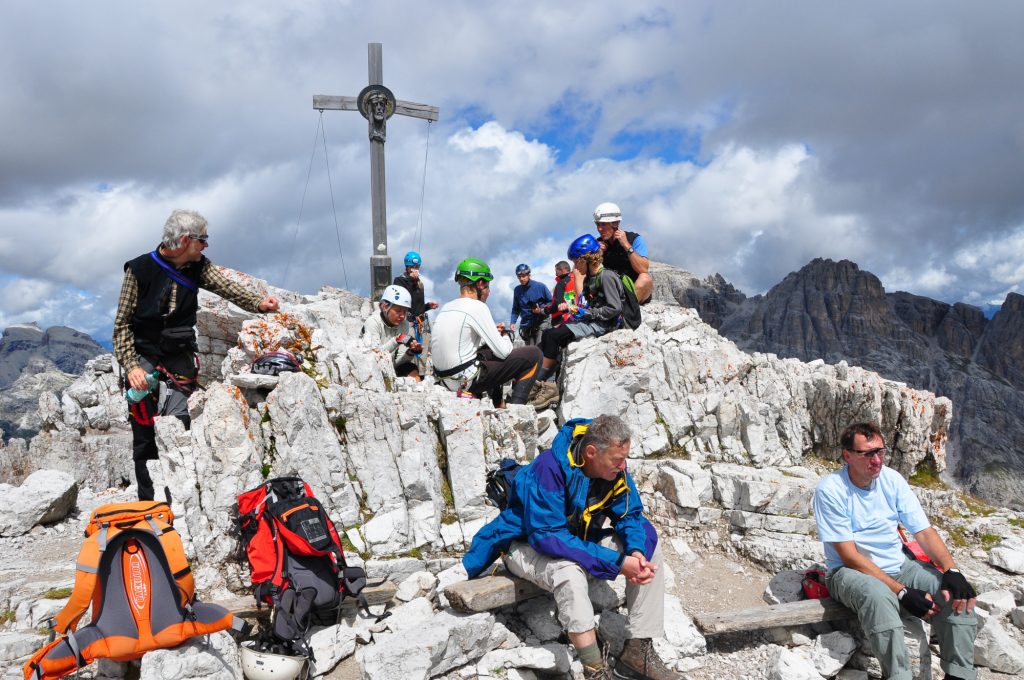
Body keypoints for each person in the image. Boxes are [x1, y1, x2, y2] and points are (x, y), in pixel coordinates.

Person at [463, 415, 680, 680]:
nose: (623, 467)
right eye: (617, 460)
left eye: (625, 459)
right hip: (526, 546)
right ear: (591, 452)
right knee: (568, 570)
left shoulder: (613, 469)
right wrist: (617, 563)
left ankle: (637, 653)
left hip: (574, 539)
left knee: (648, 546)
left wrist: (634, 553)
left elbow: (630, 515)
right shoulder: (549, 468)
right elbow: (548, 537)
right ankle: (594, 669)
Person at [113, 209, 279, 501]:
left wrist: (258, 302)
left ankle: (181, 499)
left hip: (180, 357)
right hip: (143, 356)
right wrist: (131, 367)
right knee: (143, 431)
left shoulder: (199, 265)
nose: (206, 246)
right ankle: (149, 502)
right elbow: (122, 323)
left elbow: (225, 286)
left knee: (180, 423)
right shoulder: (139, 270)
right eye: (203, 240)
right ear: (186, 240)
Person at [813, 422, 978, 680]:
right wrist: (900, 592)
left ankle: (959, 675)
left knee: (954, 594)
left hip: (900, 565)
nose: (876, 459)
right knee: (878, 597)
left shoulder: (892, 480)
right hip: (849, 572)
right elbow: (848, 555)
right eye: (867, 453)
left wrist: (952, 570)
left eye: (880, 451)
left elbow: (922, 531)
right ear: (847, 456)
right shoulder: (831, 489)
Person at [431, 258, 542, 407]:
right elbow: (503, 352)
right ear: (481, 284)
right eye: (488, 286)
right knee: (534, 354)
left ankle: (498, 404)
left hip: (445, 380)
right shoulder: (477, 307)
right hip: (464, 380)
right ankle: (516, 408)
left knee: (489, 352)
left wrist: (491, 336)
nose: (489, 292)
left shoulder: (447, 307)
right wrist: (506, 336)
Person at [530, 235, 625, 409]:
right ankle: (540, 383)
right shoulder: (592, 277)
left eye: (575, 262)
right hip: (593, 320)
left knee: (553, 336)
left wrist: (589, 312)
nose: (574, 267)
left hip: (603, 324)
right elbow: (586, 301)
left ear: (584, 259)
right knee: (548, 335)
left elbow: (614, 308)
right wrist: (575, 307)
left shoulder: (607, 277)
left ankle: (547, 385)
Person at [593, 202, 652, 304]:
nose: (599, 229)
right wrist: (597, 255)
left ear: (615, 224)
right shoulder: (597, 244)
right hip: (610, 291)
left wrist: (626, 245)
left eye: (603, 224)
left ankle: (626, 309)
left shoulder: (634, 239)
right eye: (597, 224)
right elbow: (590, 274)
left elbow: (643, 269)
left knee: (645, 279)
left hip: (632, 290)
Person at [362, 284, 422, 380]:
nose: (402, 316)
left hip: (390, 367)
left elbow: (398, 362)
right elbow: (374, 356)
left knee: (411, 369)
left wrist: (411, 352)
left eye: (405, 311)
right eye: (398, 311)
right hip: (370, 369)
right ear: (385, 307)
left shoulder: (404, 325)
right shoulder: (373, 322)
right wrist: (396, 340)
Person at [393, 250, 438, 346]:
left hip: (422, 324)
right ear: (407, 267)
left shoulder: (419, 283)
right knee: (409, 348)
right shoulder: (399, 281)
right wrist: (411, 279)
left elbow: (416, 306)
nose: (415, 269)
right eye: (412, 267)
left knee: (422, 353)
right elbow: (403, 299)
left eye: (417, 267)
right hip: (407, 324)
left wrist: (428, 306)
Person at [509, 263, 552, 346]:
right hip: (527, 325)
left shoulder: (540, 286)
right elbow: (516, 308)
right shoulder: (517, 290)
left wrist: (541, 309)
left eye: (524, 276)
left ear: (529, 275)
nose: (521, 279)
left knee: (539, 348)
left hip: (542, 321)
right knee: (531, 352)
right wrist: (513, 322)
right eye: (519, 277)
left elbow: (551, 302)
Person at [532, 260, 574, 329]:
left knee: (549, 336)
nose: (555, 274)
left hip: (561, 319)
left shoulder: (562, 283)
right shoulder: (574, 280)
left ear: (562, 270)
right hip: (574, 316)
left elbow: (558, 305)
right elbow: (572, 302)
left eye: (556, 271)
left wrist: (541, 310)